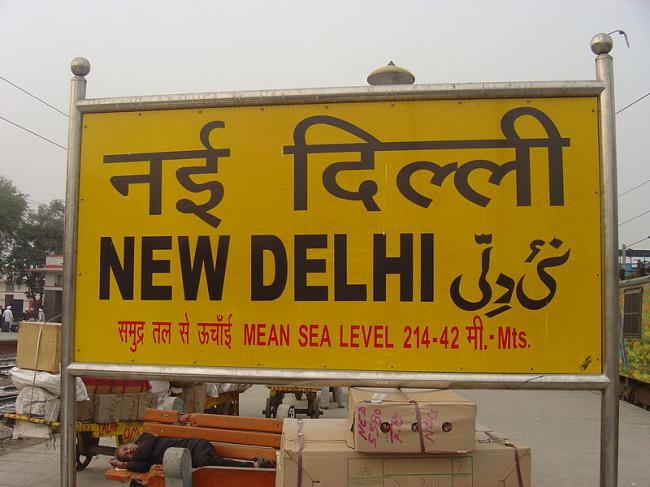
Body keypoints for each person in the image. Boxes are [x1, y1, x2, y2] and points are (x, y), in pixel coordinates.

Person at [109, 432, 274, 472]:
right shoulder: (140, 459)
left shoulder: (145, 438)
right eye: (127, 456)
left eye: (126, 448)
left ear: (128, 443)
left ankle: (253, 466)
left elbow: (142, 457)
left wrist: (126, 463)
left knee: (206, 465)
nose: (130, 452)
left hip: (195, 447)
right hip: (188, 460)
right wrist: (126, 466)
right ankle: (252, 466)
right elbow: (143, 466)